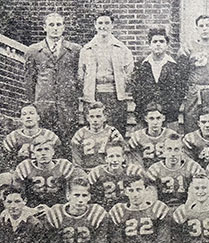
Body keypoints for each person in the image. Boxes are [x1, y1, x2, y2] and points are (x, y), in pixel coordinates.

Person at [24, 12, 81, 144]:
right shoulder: (33, 51)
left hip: (67, 106)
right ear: (44, 28)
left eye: (58, 24)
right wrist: (35, 103)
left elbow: (79, 78)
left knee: (67, 141)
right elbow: (29, 81)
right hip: (43, 105)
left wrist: (73, 98)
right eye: (51, 25)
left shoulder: (75, 50)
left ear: (63, 27)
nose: (55, 28)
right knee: (43, 142)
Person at [79, 10, 134, 135]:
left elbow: (128, 71)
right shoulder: (87, 49)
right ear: (95, 25)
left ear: (112, 25)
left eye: (107, 23)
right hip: (94, 95)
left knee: (116, 129)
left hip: (115, 95)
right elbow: (81, 73)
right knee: (94, 130)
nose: (103, 26)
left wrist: (120, 85)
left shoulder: (121, 48)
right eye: (100, 23)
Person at [131, 27, 183, 128]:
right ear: (149, 45)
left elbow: (179, 92)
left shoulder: (175, 67)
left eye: (161, 41)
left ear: (167, 45)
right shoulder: (141, 65)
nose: (158, 44)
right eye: (154, 41)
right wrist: (149, 109)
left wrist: (165, 109)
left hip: (169, 116)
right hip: (145, 116)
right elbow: (136, 91)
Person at [13, 140, 77, 210]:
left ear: (53, 152)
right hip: (32, 208)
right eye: (39, 150)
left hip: (59, 209)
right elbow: (17, 193)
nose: (43, 153)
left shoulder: (64, 166)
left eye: (47, 149)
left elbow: (75, 191)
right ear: (33, 154)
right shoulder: (25, 167)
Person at [146, 133, 204, 208]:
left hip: (186, 208)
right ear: (163, 150)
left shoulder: (192, 167)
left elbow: (197, 195)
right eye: (169, 149)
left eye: (176, 150)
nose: (173, 154)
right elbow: (152, 199)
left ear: (182, 151)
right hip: (163, 209)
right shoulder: (155, 169)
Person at [2, 104, 61, 170]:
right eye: (24, 114)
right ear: (21, 119)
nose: (28, 117)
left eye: (31, 113)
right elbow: (5, 162)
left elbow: (59, 159)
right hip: (20, 175)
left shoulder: (49, 136)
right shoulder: (12, 138)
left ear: (38, 117)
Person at [70, 101, 125, 172]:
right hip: (87, 171)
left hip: (107, 171)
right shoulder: (80, 134)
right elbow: (76, 159)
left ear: (105, 117)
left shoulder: (112, 132)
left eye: (98, 116)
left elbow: (118, 155)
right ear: (87, 118)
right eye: (92, 117)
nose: (95, 120)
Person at [88, 144, 144, 210]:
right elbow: (88, 194)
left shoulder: (133, 171)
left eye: (118, 156)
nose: (115, 160)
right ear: (106, 159)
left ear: (123, 158)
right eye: (111, 156)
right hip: (105, 209)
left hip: (128, 210)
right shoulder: (96, 173)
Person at [128, 103, 179, 170]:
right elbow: (135, 160)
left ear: (163, 118)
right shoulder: (138, 136)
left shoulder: (171, 135)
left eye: (158, 118)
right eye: (151, 118)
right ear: (146, 119)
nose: (155, 122)